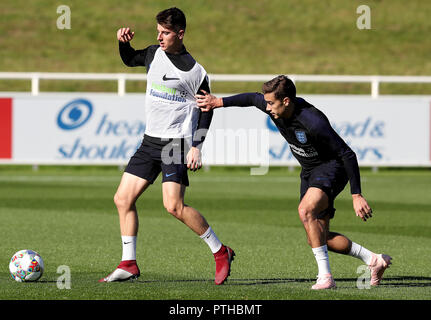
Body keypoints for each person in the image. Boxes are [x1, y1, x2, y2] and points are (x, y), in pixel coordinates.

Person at [195, 75, 392, 289]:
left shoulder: (312, 121)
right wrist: (218, 102)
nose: (267, 107)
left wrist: (356, 195)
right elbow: (252, 99)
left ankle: (326, 277)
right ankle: (374, 260)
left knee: (305, 211)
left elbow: (347, 154)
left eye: (271, 103)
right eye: (267, 102)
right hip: (309, 171)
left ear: (286, 101)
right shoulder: (274, 105)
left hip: (331, 167)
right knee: (318, 237)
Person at [99, 7, 235, 284]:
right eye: (158, 31)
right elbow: (129, 60)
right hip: (150, 141)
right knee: (122, 199)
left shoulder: (196, 73)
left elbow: (207, 110)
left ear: (180, 34)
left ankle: (220, 252)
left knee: (173, 206)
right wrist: (122, 43)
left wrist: (197, 146)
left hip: (176, 143)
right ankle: (128, 264)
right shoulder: (152, 53)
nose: (159, 37)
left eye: (165, 32)